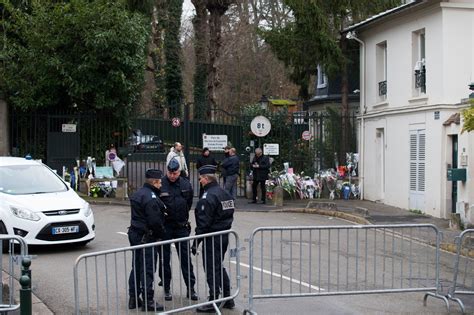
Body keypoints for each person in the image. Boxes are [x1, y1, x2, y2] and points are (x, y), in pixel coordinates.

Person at [192, 165, 235, 312]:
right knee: (218, 265)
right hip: (223, 235)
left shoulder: (209, 196)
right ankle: (228, 297)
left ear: (206, 178)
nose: (200, 181)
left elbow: (203, 223)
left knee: (211, 267)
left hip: (212, 237)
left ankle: (214, 300)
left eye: (200, 179)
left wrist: (196, 241)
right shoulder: (225, 193)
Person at [158, 158, 198, 301]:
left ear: (179, 172)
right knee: (165, 258)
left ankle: (191, 288)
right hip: (166, 227)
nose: (172, 175)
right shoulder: (161, 184)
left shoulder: (186, 184)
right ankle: (167, 288)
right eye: (170, 173)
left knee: (186, 259)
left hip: (181, 226)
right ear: (167, 171)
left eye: (175, 173)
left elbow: (188, 203)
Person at [127, 169, 166, 312]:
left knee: (136, 266)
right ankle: (148, 301)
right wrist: (162, 234)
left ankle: (133, 297)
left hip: (135, 234)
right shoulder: (151, 198)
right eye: (160, 182)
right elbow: (155, 221)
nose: (161, 185)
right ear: (155, 182)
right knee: (148, 268)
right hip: (146, 237)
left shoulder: (139, 193)